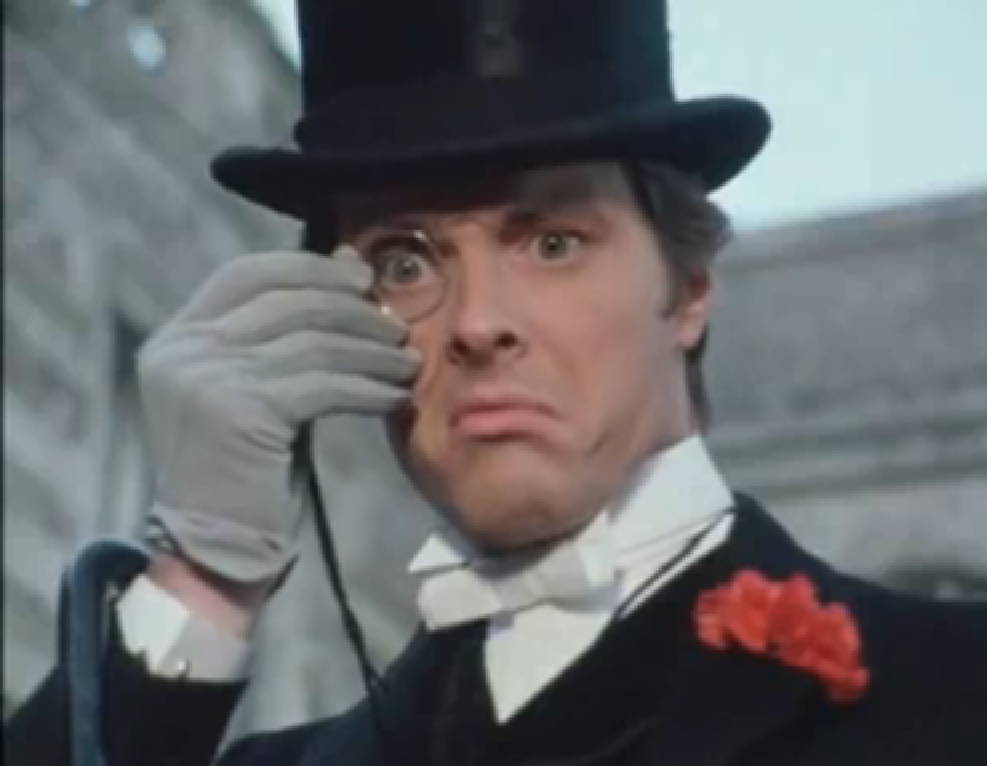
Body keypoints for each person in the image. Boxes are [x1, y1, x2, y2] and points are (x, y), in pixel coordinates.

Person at [6, 0, 987, 764]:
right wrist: (200, 585)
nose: (478, 321)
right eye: (403, 261)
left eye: (553, 241)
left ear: (687, 286)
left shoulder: (951, 692)